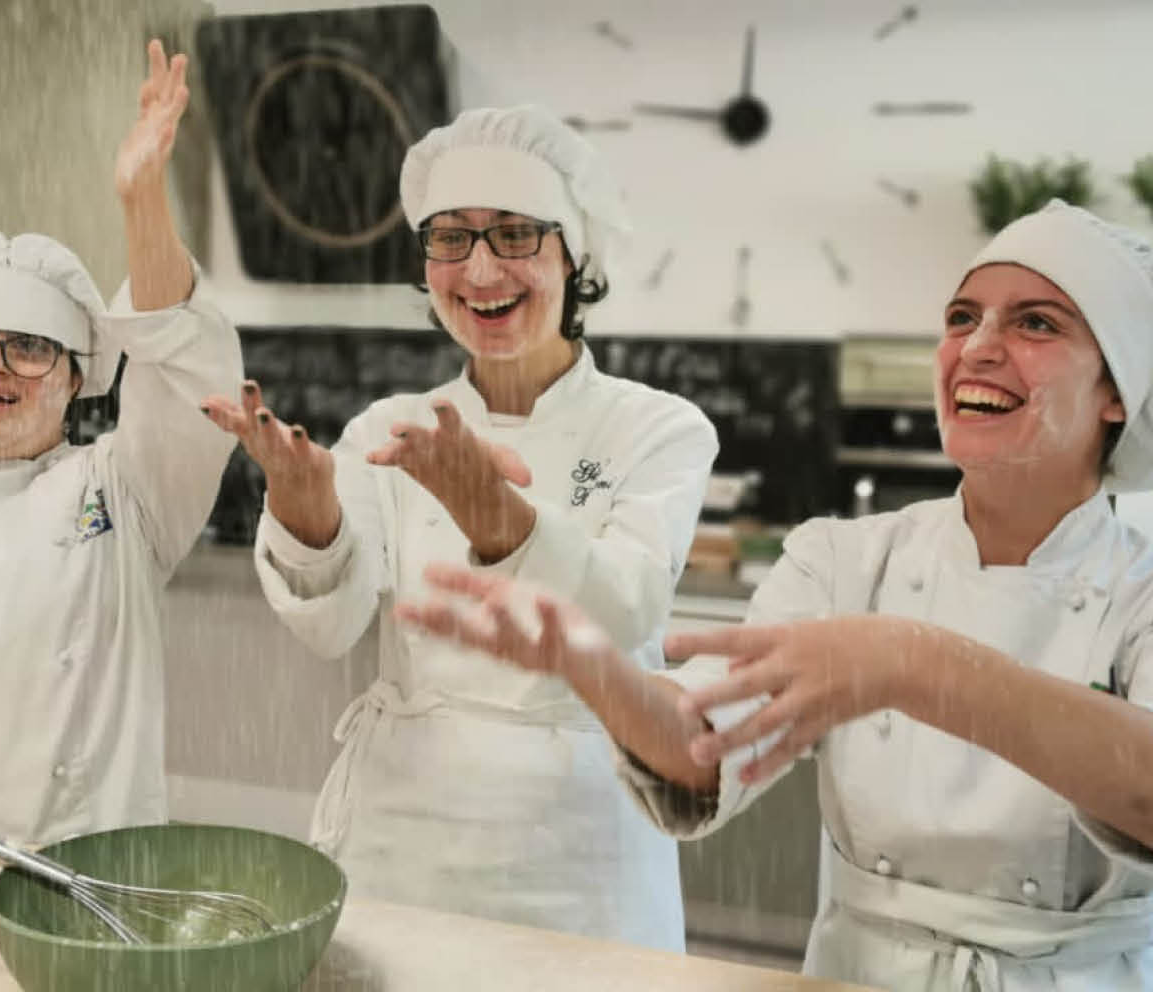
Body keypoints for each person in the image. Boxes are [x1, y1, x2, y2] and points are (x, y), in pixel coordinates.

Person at [398, 200, 1153, 990]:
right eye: (963, 318)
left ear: (1118, 390)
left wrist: (916, 665)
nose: (979, 347)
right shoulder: (844, 557)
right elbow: (705, 742)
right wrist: (594, 664)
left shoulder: (1139, 591)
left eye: (1037, 324)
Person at [204, 105, 718, 950]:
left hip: (577, 856)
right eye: (451, 238)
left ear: (574, 254)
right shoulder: (392, 426)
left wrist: (501, 519)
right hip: (408, 845)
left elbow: (624, 611)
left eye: (514, 234)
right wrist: (306, 514)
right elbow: (331, 628)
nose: (480, 269)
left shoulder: (660, 429)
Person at [0, 40, 242, 845]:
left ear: (79, 378)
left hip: (79, 890)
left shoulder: (125, 491)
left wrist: (144, 201)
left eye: (30, 347)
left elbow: (182, 369)